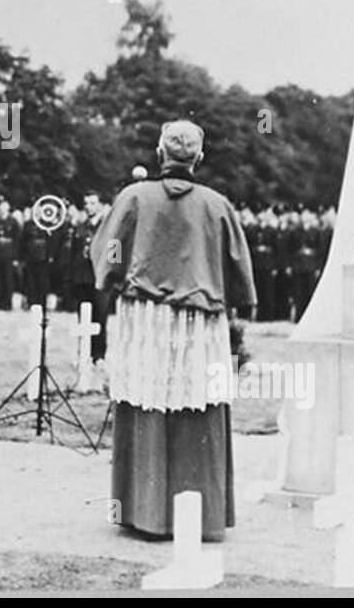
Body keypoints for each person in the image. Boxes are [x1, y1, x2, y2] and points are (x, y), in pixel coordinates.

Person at [92, 120, 256, 541]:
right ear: (199, 158)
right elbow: (239, 268)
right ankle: (200, 514)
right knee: (196, 405)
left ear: (160, 152)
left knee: (147, 402)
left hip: (145, 318)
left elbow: (107, 253)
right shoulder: (217, 205)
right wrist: (238, 303)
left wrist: (112, 282)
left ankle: (145, 513)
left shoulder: (132, 198)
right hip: (199, 321)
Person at [69, 191, 110, 362]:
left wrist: (112, 273)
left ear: (100, 205)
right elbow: (74, 252)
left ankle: (98, 354)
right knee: (83, 317)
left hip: (100, 277)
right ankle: (84, 351)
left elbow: (116, 253)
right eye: (86, 203)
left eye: (93, 203)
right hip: (82, 277)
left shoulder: (108, 226)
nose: (89, 207)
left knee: (100, 316)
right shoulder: (81, 226)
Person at [0, 198, 20, 311]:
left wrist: (16, 257)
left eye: (4, 207)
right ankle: (0, 303)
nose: (2, 210)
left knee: (8, 279)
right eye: (0, 208)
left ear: (8, 208)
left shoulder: (13, 222)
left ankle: (8, 303)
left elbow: (17, 240)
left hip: (9, 254)